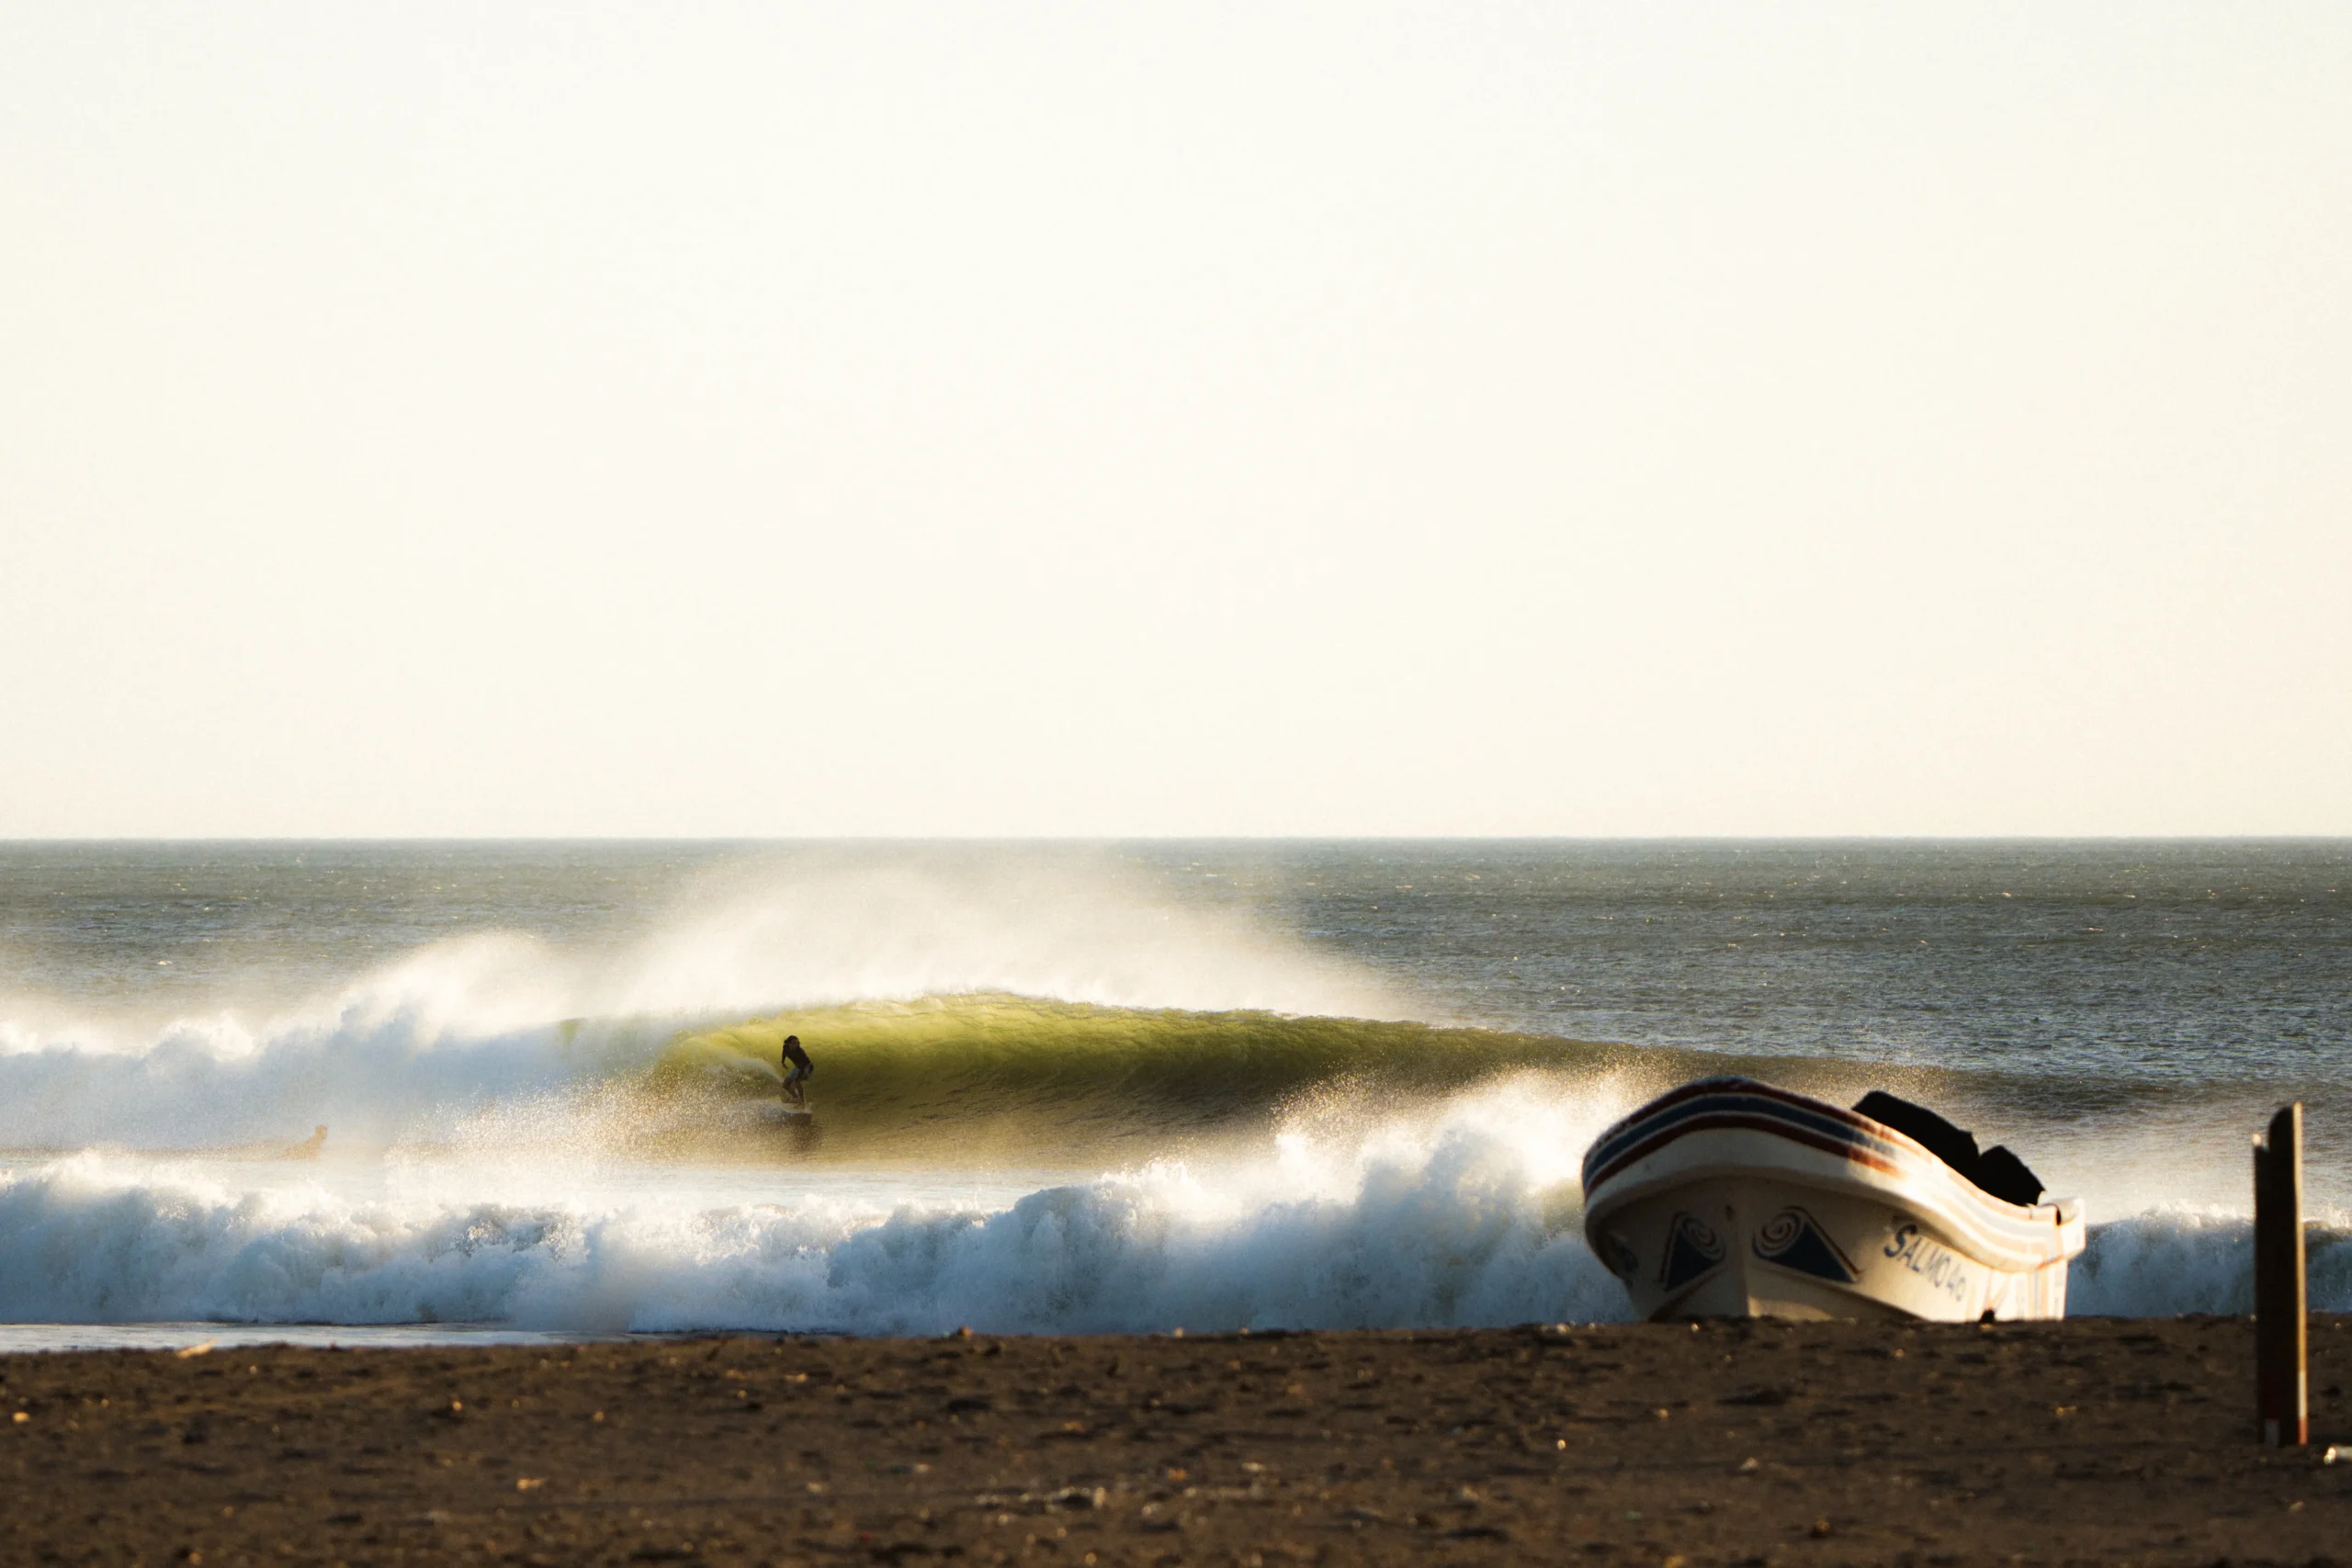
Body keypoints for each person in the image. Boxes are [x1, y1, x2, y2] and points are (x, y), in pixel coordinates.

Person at [780, 1034, 814, 1108]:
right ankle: (797, 1098)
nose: (796, 1045)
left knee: (797, 1082)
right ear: (789, 1043)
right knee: (785, 1085)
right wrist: (783, 1062)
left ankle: (802, 1103)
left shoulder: (800, 1052)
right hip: (797, 1067)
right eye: (794, 1043)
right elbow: (784, 1053)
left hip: (807, 1067)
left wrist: (798, 1078)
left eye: (797, 1043)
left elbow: (803, 1067)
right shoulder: (786, 1047)